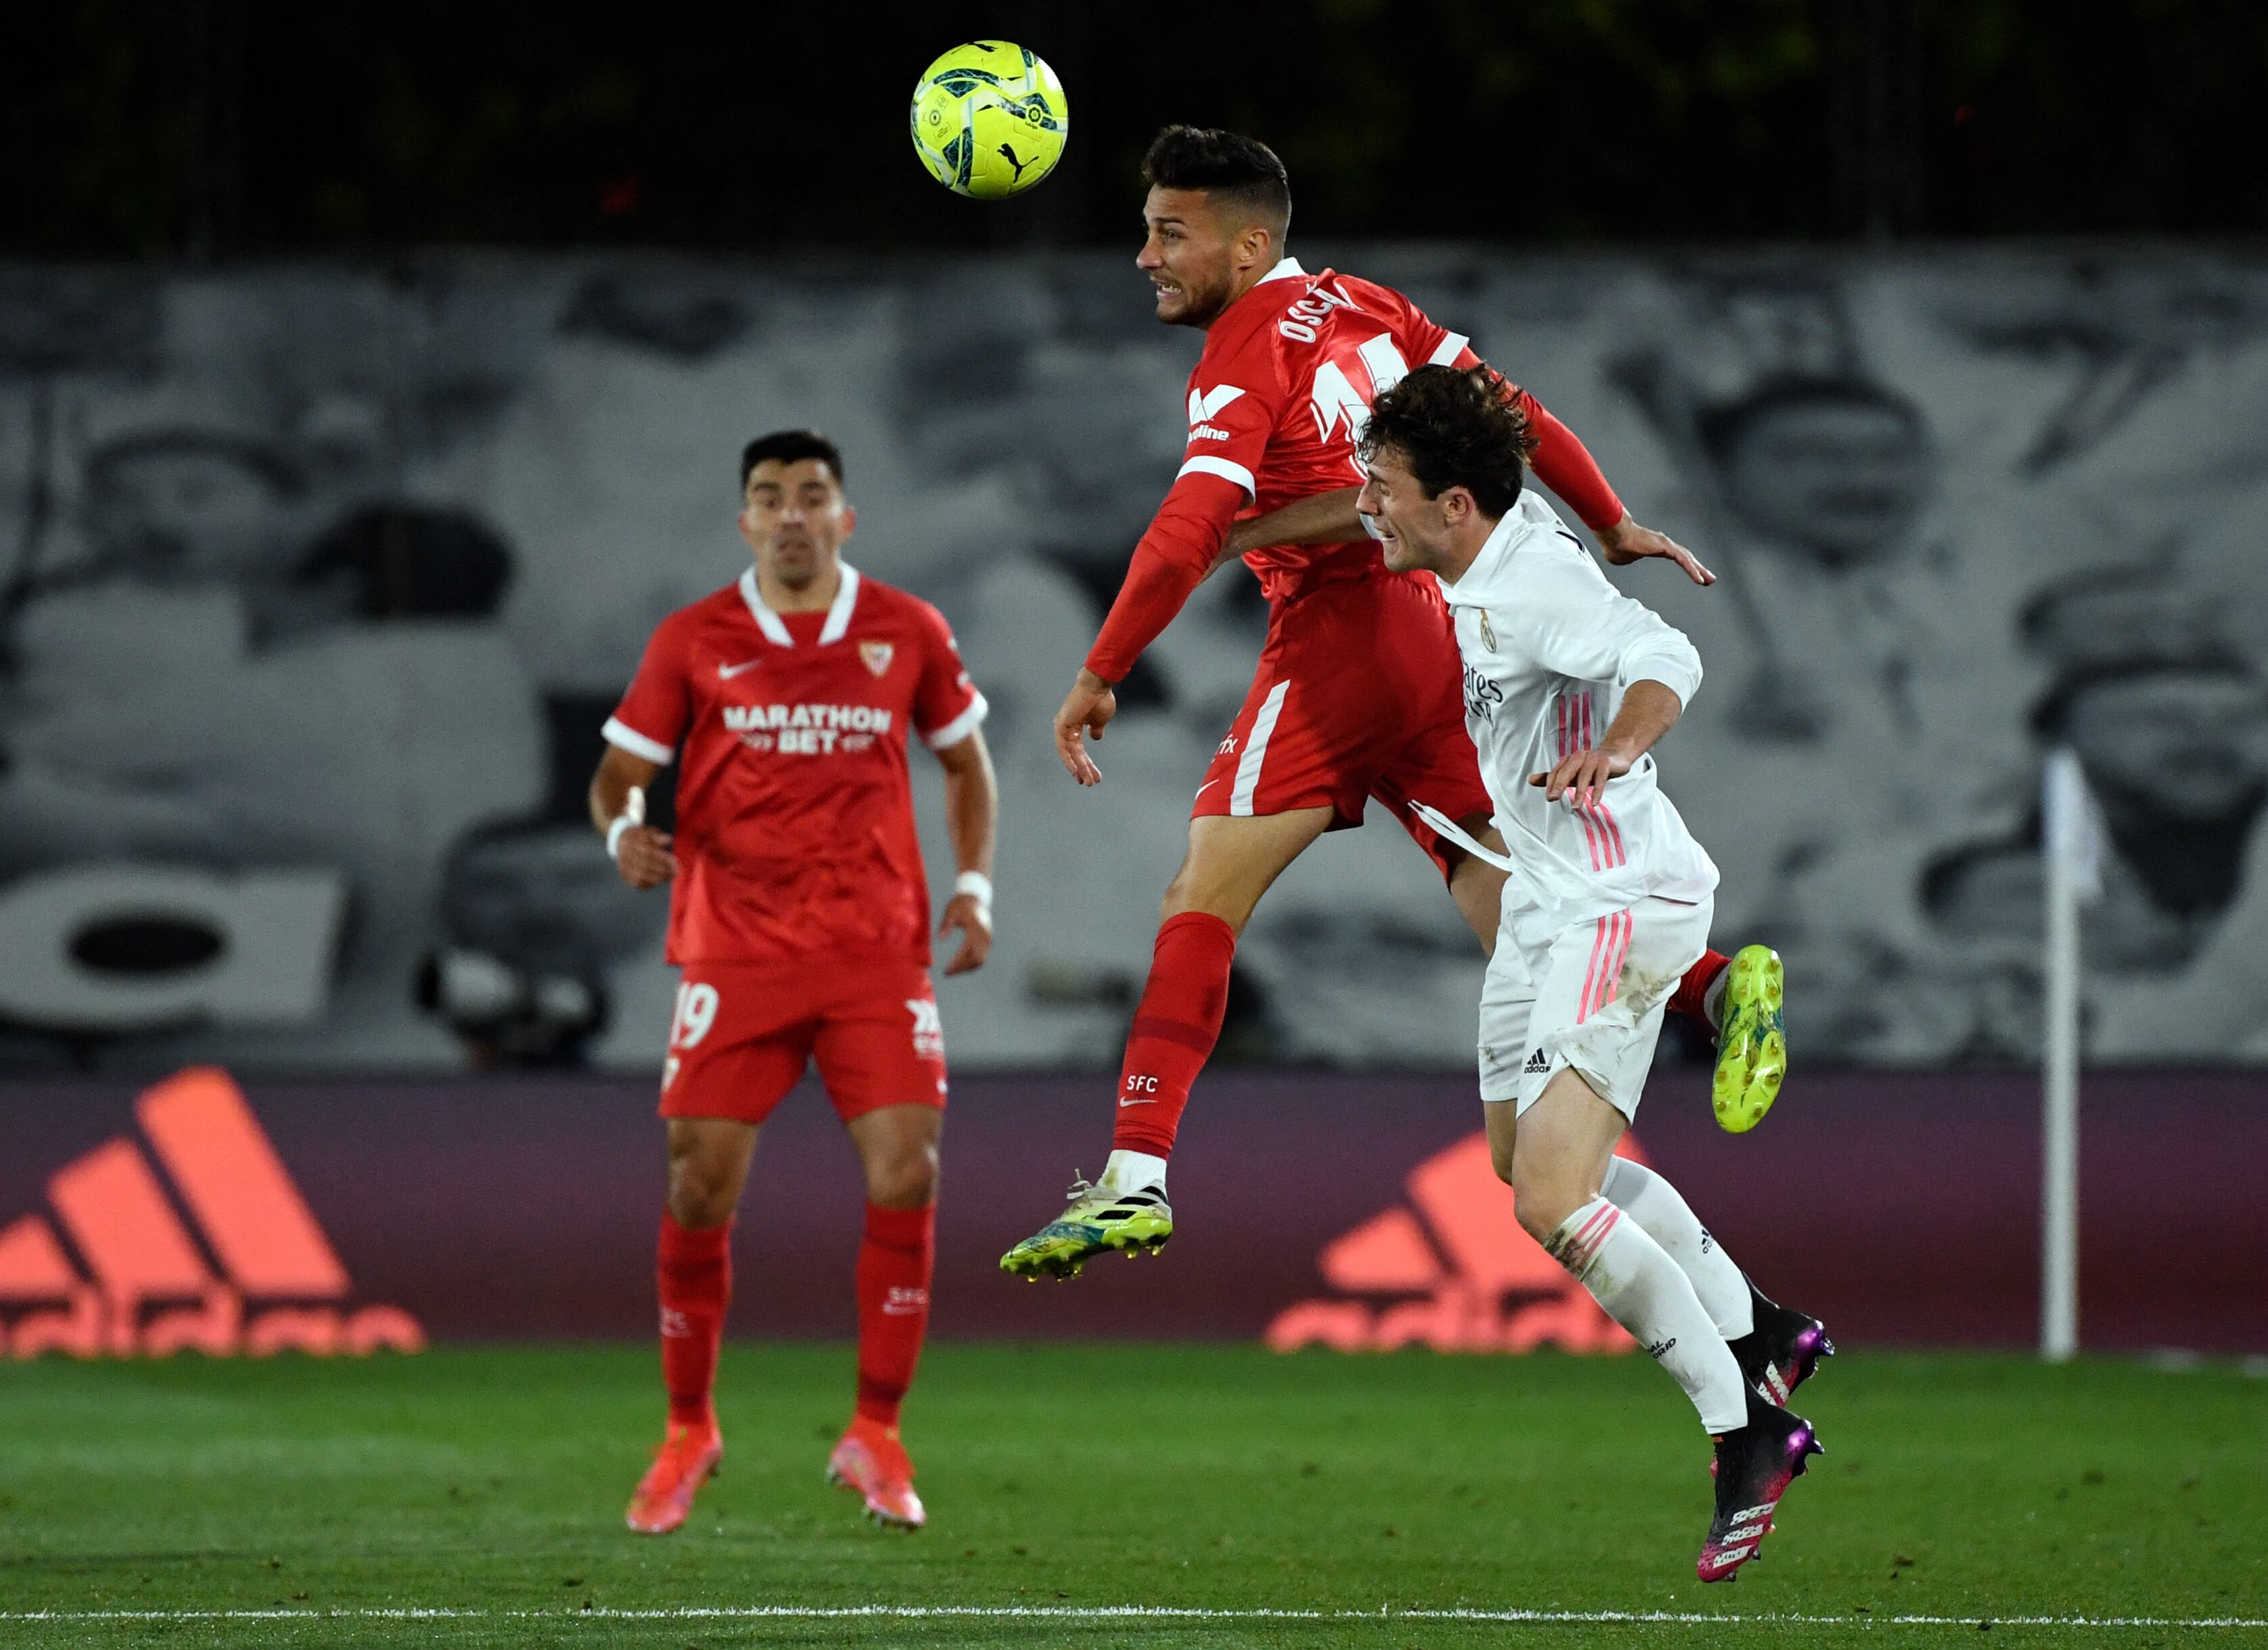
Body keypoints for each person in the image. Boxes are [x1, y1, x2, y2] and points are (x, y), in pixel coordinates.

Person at [1002, 127, 1785, 1280]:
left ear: (1247, 240)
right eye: (1146, 229)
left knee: (1202, 891)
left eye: (1170, 232)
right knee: (1514, 903)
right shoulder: (1360, 300)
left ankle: (1134, 1178)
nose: (1145, 256)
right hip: (1444, 630)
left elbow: (1187, 527)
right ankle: (1712, 990)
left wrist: (1103, 668)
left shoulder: (1239, 356)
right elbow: (1506, 408)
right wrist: (1609, 516)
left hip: (1340, 642)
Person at [1353, 364, 1829, 1581]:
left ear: (1455, 504)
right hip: (1544, 909)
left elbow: (1660, 650)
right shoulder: (1481, 559)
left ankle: (1746, 1430)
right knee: (1529, 1165)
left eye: (1385, 486)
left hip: (1619, 902)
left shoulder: (1530, 584)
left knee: (1551, 1201)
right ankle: (1764, 1325)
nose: (1369, 503)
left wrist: (1618, 744)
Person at [588, 429, 998, 1535]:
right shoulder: (694, 639)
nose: (790, 515)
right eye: (768, 498)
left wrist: (973, 886)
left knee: (908, 1169)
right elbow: (619, 773)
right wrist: (627, 827)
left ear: (844, 518)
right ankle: (686, 1431)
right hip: (736, 946)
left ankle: (875, 1433)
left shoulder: (905, 628)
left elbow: (965, 760)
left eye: (811, 496)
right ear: (745, 523)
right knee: (696, 1189)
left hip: (874, 947)